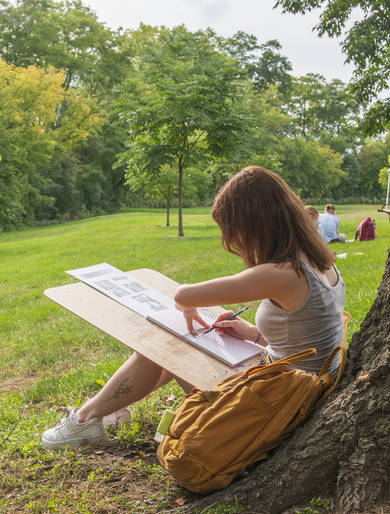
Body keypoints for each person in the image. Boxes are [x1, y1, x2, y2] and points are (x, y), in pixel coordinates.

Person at [41, 166, 345, 450]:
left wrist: (188, 306)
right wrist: (252, 333)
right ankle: (98, 411)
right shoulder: (321, 262)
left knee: (168, 342)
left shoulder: (282, 273)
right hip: (294, 388)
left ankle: (83, 420)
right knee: (173, 346)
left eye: (234, 232)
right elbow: (310, 336)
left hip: (277, 404)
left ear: (254, 225)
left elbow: (185, 295)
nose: (236, 243)